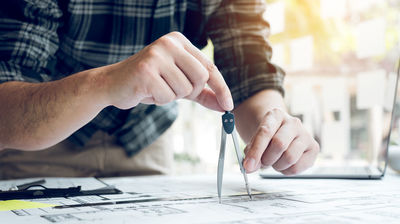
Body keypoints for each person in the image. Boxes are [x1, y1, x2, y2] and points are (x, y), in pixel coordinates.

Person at [0, 0, 319, 179]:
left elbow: (248, 67)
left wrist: (274, 126)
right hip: (39, 142)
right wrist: (107, 84)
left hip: (146, 138)